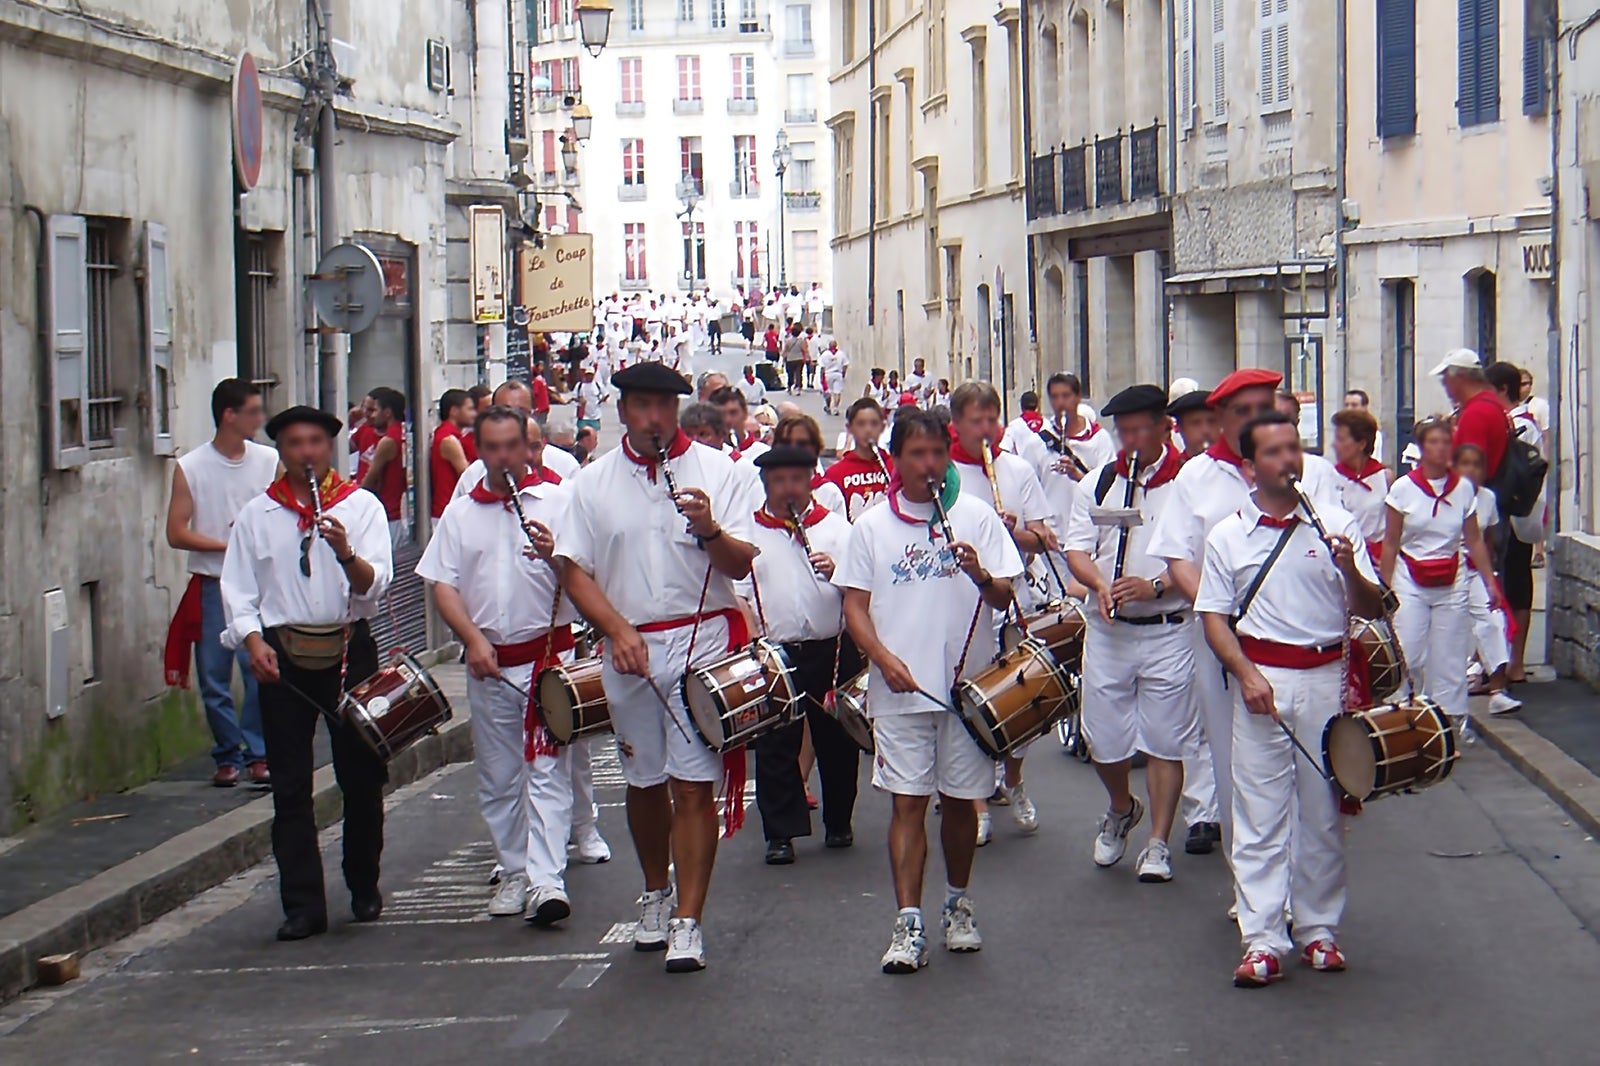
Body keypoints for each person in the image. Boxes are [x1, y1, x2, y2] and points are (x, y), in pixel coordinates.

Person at [554, 362, 759, 974]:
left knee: (694, 784)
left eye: (662, 408)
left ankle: (689, 921)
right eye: (639, 406)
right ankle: (654, 891)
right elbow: (572, 569)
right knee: (644, 783)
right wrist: (615, 630)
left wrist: (710, 529)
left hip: (703, 640)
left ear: (677, 411)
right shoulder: (591, 485)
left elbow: (741, 564)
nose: (651, 419)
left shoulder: (721, 472)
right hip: (629, 645)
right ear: (622, 411)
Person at [1195, 410, 1385, 988]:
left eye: (1293, 449)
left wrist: (1350, 567)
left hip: (1326, 677)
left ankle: (1319, 928)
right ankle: (1262, 938)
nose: (1289, 460)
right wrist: (1246, 674)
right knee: (1259, 812)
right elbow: (1214, 617)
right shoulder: (1228, 535)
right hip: (1263, 676)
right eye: (1274, 452)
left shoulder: (1334, 522)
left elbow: (1373, 607)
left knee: (1324, 810)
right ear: (1251, 467)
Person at [835, 409, 1024, 974]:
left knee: (963, 803)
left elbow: (1003, 595)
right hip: (899, 691)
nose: (929, 466)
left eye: (937, 454)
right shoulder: (870, 527)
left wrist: (981, 575)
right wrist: (883, 659)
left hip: (968, 692)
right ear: (896, 460)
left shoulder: (975, 516)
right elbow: (854, 607)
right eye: (916, 455)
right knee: (907, 803)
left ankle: (957, 903)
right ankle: (908, 921)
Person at [221, 406, 394, 940]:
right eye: (295, 444)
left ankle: (363, 883)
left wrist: (344, 552)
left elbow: (374, 587)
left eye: (316, 442)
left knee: (361, 777)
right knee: (290, 786)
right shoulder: (257, 515)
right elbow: (240, 591)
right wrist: (253, 642)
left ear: (329, 448)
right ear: (283, 452)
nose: (306, 453)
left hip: (348, 648)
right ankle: (303, 905)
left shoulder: (361, 507)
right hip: (285, 656)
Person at [418, 405, 592, 923]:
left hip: (547, 657)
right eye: (489, 449)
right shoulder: (461, 512)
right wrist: (472, 640)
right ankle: (514, 870)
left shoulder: (560, 503)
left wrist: (556, 554)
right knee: (499, 776)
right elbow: (443, 584)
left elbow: (587, 578)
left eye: (509, 447)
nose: (500, 458)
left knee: (547, 770)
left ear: (526, 448)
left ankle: (546, 880)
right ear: (480, 451)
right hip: (490, 662)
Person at [1150, 368, 1302, 861]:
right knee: (1233, 759)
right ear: (1219, 420)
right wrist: (1218, 610)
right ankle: (1250, 885)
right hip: (1222, 638)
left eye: (1265, 409)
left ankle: (1296, 883)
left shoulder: (1302, 471)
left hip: (1293, 637)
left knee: (1295, 761)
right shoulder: (1194, 477)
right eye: (1243, 412)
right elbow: (1177, 557)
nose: (1256, 421)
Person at [1063, 385, 1195, 884]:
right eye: (1125, 432)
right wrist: (1099, 584)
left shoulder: (1188, 483)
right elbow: (1077, 548)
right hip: (1110, 628)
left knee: (1165, 740)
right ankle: (1122, 806)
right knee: (1103, 740)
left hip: (1167, 629)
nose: (1133, 442)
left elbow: (1204, 554)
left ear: (1165, 428)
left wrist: (1155, 585)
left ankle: (1159, 842)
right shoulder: (1097, 484)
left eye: (1143, 430)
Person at [741, 447, 865, 864]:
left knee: (838, 740)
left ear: (811, 479)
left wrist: (838, 572)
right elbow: (739, 596)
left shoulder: (836, 529)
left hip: (831, 647)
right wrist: (754, 639)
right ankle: (781, 833)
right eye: (779, 482)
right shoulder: (748, 534)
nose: (789, 489)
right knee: (775, 744)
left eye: (796, 480)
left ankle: (839, 821)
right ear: (766, 485)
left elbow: (863, 591)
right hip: (775, 651)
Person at [946, 382, 1057, 843]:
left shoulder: (1015, 470)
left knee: (1021, 696)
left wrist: (1012, 531)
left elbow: (1042, 537)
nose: (987, 429)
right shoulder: (944, 473)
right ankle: (974, 800)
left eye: (993, 419)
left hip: (1013, 596)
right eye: (977, 421)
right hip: (962, 601)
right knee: (967, 702)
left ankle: (1013, 780)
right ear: (956, 424)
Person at [164, 379, 279, 788]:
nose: (259, 419)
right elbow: (176, 533)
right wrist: (227, 545)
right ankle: (228, 754)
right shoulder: (192, 466)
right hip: (214, 582)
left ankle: (258, 752)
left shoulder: (268, 460)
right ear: (230, 415)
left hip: (258, 581)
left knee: (258, 669)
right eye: (253, 411)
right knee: (214, 674)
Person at [1381, 417, 1499, 739]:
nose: (1440, 448)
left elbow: (1473, 539)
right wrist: (1384, 587)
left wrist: (1490, 582)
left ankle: (1449, 724)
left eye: (1446, 442)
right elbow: (1391, 542)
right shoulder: (1403, 489)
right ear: (1421, 448)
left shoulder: (1461, 488)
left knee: (1449, 653)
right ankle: (1403, 719)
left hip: (1451, 576)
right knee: (1409, 648)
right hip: (1410, 576)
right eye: (1433, 442)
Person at [1453, 443, 1521, 714]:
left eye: (1476, 465)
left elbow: (1488, 541)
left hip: (1476, 571)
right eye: (1464, 463)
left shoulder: (1488, 499)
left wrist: (1490, 577)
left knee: (1493, 622)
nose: (1470, 470)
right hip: (1448, 571)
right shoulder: (1448, 496)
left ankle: (1497, 689)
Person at [1486, 362, 1542, 677]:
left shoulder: (1523, 424)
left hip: (1516, 513)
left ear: (1502, 391)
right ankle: (1501, 660)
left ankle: (1515, 662)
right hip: (1502, 513)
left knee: (1516, 584)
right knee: (1503, 585)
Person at [1329, 407, 1391, 564]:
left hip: (1379, 559)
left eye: (1341, 439)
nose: (1334, 445)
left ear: (1361, 444)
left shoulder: (1385, 477)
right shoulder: (1331, 478)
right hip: (1345, 557)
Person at [822, 398, 895, 521]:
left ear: (882, 427)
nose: (868, 430)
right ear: (850, 428)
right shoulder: (835, 473)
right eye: (861, 424)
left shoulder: (895, 467)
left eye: (874, 424)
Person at [354, 387, 408, 539]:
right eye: (365, 409)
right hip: (373, 513)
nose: (366, 415)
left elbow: (370, 483)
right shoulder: (366, 429)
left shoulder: (392, 439)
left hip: (388, 516)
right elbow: (342, 447)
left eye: (372, 410)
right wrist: (350, 420)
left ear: (387, 412)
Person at [429, 389, 478, 520]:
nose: (474, 414)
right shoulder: (448, 439)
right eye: (470, 409)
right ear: (454, 411)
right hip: (447, 512)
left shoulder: (447, 435)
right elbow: (467, 478)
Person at [1167, 388, 1217, 459]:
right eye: (1195, 423)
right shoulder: (1173, 469)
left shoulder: (1235, 467)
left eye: (1212, 421)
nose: (1205, 430)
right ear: (1179, 427)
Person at [1342, 389, 1386, 460]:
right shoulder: (1340, 430)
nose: (1349, 409)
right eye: (1346, 405)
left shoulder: (1372, 432)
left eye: (1354, 405)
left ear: (1364, 407)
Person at [819, 340, 848, 416]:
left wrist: (821, 377)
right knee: (837, 392)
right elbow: (845, 364)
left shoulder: (825, 354)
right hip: (838, 374)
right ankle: (835, 408)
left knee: (827, 391)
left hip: (828, 374)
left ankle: (828, 406)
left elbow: (822, 367)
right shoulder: (841, 354)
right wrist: (843, 373)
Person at [781, 323, 806, 395]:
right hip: (799, 358)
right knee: (799, 374)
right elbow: (804, 350)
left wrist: (783, 357)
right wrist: (806, 357)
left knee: (790, 374)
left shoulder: (788, 340)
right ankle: (798, 388)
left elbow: (785, 350)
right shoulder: (801, 341)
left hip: (790, 359)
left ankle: (789, 387)